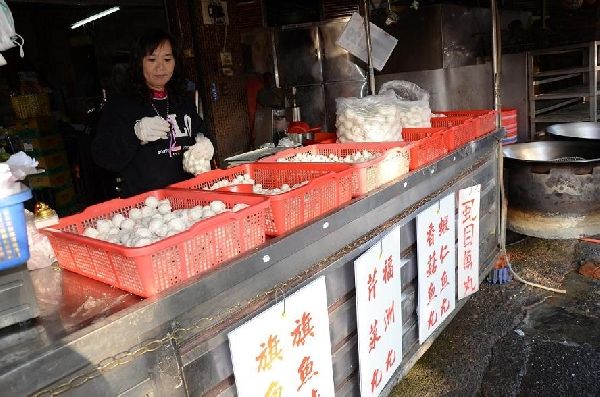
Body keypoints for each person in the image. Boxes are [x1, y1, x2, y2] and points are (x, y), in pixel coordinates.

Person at [92, 29, 216, 197]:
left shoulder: (182, 100)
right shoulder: (120, 104)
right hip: (147, 207)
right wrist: (134, 133)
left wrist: (205, 142)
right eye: (151, 59)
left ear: (175, 62)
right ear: (139, 63)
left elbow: (199, 130)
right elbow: (103, 156)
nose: (160, 67)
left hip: (190, 198)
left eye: (167, 59)